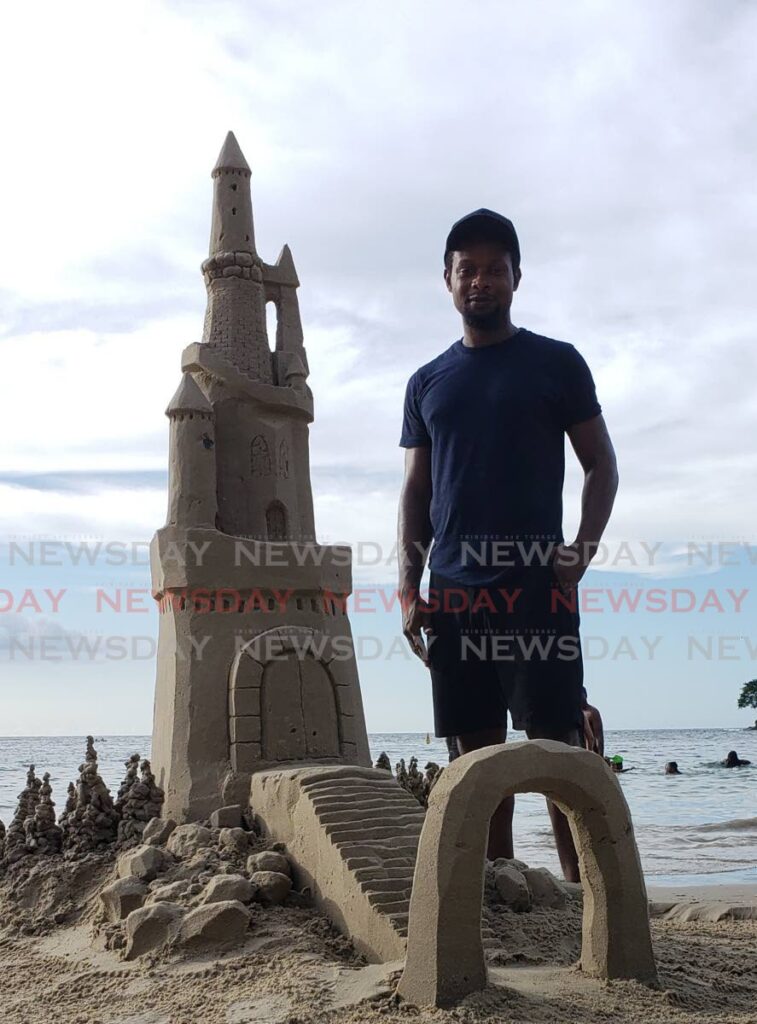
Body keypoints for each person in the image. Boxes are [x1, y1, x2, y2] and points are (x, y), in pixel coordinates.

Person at [397, 209, 619, 881]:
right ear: (447, 280)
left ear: (516, 278)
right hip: (455, 594)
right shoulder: (426, 382)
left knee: (556, 754)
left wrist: (579, 551)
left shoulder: (555, 363)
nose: (481, 280)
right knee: (475, 762)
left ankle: (586, 901)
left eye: (495, 268)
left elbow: (600, 465)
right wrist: (410, 586)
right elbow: (415, 493)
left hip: (535, 588)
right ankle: (500, 893)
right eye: (468, 269)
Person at [581, 686, 604, 756]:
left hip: (592, 753)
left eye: (580, 695)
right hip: (579, 751)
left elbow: (599, 737)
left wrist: (600, 756)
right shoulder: (574, 713)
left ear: (585, 695)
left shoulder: (592, 712)